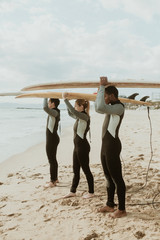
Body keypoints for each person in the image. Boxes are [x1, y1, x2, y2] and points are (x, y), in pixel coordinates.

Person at [95, 76, 127, 218]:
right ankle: (109, 204)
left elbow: (100, 107)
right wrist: (101, 92)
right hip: (105, 146)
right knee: (108, 177)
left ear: (112, 96)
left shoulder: (118, 107)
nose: (105, 98)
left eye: (106, 96)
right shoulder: (111, 108)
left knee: (117, 178)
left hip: (112, 146)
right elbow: (98, 107)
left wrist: (102, 87)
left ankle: (121, 209)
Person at [62, 92, 94, 199]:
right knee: (76, 170)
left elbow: (72, 111)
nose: (75, 107)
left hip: (83, 147)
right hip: (77, 147)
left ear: (81, 107)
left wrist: (65, 100)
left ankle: (91, 192)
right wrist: (68, 102)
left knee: (86, 169)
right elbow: (70, 113)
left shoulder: (84, 116)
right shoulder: (79, 117)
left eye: (76, 105)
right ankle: (72, 191)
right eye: (75, 106)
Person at [43, 98, 60, 188]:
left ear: (53, 103)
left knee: (51, 160)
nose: (48, 104)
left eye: (49, 102)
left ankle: (52, 181)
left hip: (52, 139)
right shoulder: (55, 111)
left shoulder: (54, 112)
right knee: (53, 159)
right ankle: (55, 178)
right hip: (53, 139)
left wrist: (45, 96)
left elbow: (45, 108)